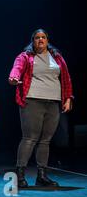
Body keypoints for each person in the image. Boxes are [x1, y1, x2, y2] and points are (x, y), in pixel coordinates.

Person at [9, 29, 73, 188]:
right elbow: (16, 69)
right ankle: (20, 175)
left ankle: (41, 176)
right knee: (30, 137)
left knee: (45, 140)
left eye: (43, 37)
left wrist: (68, 98)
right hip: (33, 100)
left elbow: (66, 78)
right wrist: (14, 78)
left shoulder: (56, 57)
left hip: (53, 102)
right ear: (33, 41)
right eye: (37, 38)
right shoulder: (26, 56)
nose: (40, 40)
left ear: (47, 40)